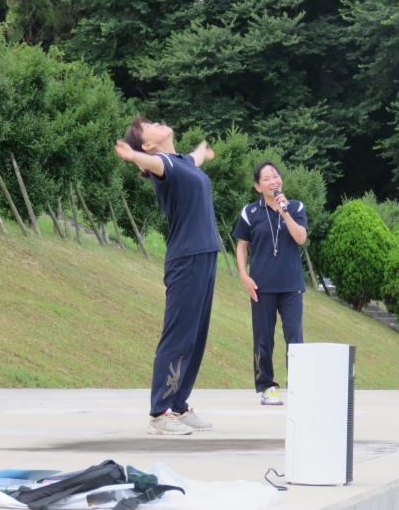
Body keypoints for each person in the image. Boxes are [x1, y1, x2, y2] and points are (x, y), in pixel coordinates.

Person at [114, 117, 220, 435]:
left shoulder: (183, 161)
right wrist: (134, 157)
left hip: (205, 254)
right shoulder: (163, 164)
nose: (158, 122)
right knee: (178, 335)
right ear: (148, 144)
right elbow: (153, 165)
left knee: (196, 337)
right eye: (149, 126)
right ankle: (159, 413)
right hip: (186, 259)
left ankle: (179, 405)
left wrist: (202, 150)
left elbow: (195, 159)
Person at [232, 161, 308, 405]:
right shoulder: (250, 212)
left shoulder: (295, 207)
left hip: (291, 285)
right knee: (263, 338)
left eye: (275, 176)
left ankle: (298, 386)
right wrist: (243, 275)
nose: (273, 181)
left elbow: (301, 238)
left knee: (295, 337)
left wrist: (285, 212)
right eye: (267, 178)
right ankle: (267, 386)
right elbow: (242, 245)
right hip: (261, 286)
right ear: (257, 186)